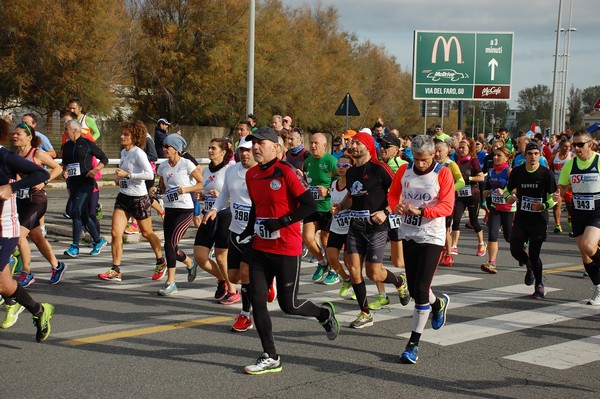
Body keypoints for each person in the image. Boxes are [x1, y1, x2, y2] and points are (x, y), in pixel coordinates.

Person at [239, 126, 339, 374]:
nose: (256, 147)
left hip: (286, 248)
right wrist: (248, 230)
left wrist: (281, 222)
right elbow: (256, 207)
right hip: (261, 247)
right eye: (254, 144)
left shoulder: (286, 173)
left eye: (261, 143)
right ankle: (270, 355)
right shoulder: (251, 175)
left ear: (276, 147)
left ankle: (323, 314)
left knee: (289, 305)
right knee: (257, 299)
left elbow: (309, 206)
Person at [387, 134, 454, 364]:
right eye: (417, 159)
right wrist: (396, 205)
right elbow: (393, 193)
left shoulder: (442, 173)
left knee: (422, 288)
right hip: (409, 233)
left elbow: (447, 206)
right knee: (416, 290)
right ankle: (439, 304)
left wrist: (422, 212)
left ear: (434, 154)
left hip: (432, 235)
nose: (420, 163)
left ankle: (413, 343)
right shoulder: (404, 170)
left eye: (424, 159)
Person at [333, 132, 409, 329]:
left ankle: (399, 281)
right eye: (352, 143)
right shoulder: (350, 172)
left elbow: (398, 193)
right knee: (354, 270)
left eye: (358, 143)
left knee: (374, 273)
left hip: (377, 227)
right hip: (355, 226)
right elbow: (352, 194)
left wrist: (385, 211)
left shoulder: (380, 168)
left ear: (367, 146)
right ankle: (365, 313)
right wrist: (341, 206)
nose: (354, 146)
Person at [0, 118, 53, 341]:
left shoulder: (5, 157)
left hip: (4, 228)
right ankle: (39, 311)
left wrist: (12, 186)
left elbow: (42, 174)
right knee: (4, 284)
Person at [204, 137, 263, 330]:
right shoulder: (231, 170)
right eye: (242, 150)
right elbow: (224, 194)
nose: (245, 154)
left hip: (255, 232)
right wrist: (215, 208)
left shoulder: (262, 172)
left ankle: (245, 315)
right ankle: (264, 282)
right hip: (236, 230)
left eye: (248, 150)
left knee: (245, 273)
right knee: (234, 276)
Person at [97, 121, 165, 282]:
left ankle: (161, 260)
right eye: (123, 133)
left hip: (138, 198)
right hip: (123, 196)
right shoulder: (124, 152)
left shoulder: (138, 153)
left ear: (135, 137)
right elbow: (125, 173)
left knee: (147, 233)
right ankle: (116, 270)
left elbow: (149, 175)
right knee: (115, 233)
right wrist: (119, 179)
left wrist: (128, 175)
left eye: (126, 134)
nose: (122, 136)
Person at [11, 123, 65, 290]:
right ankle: (57, 266)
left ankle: (27, 272)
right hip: (21, 200)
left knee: (20, 237)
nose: (14, 136)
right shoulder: (15, 155)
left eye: (18, 134)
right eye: (14, 133)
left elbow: (57, 167)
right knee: (37, 237)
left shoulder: (38, 154)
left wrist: (45, 181)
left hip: (37, 201)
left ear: (29, 137)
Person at [152, 134, 203, 296]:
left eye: (168, 147)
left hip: (185, 210)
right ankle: (190, 262)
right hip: (170, 208)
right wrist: (156, 190)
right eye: (164, 146)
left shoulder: (187, 164)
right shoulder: (163, 167)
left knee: (169, 246)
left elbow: (203, 183)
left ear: (177, 149)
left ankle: (171, 283)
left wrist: (186, 189)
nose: (164, 149)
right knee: (171, 245)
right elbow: (163, 188)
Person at [507, 142, 558, 299]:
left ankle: (539, 285)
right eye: (530, 153)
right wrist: (507, 197)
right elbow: (506, 189)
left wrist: (543, 205)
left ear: (540, 155)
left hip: (539, 220)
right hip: (522, 218)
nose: (533, 156)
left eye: (536, 153)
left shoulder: (546, 174)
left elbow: (554, 198)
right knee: (515, 249)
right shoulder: (517, 172)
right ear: (525, 155)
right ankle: (529, 266)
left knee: (535, 254)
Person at [191, 138, 236, 302]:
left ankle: (232, 290)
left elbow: (237, 194)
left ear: (223, 152)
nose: (210, 151)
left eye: (213, 148)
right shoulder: (205, 170)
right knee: (200, 256)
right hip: (208, 214)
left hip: (225, 214)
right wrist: (201, 195)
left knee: (220, 256)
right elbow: (205, 188)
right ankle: (222, 279)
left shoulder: (230, 169)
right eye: (209, 148)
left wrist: (222, 197)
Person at [558, 131, 600, 305]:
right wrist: (555, 196)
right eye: (574, 145)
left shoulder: (598, 160)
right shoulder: (570, 164)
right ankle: (598, 287)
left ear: (590, 144)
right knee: (585, 255)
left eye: (580, 145)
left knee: (588, 246)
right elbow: (561, 188)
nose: (576, 148)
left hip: (597, 210)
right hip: (578, 212)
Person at [61, 119, 108, 258]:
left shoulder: (87, 144)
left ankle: (74, 246)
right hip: (73, 183)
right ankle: (98, 241)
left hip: (86, 183)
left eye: (66, 129)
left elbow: (104, 159)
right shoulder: (66, 146)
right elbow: (65, 164)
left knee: (76, 210)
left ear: (75, 130)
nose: (64, 132)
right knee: (83, 214)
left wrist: (96, 170)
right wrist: (64, 171)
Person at [303, 133, 338, 283]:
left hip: (328, 207)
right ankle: (323, 263)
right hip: (312, 206)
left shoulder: (332, 161)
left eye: (316, 143)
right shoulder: (308, 161)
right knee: (307, 238)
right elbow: (305, 181)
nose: (313, 146)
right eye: (311, 143)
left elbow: (343, 183)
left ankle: (334, 270)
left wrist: (328, 191)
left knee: (326, 241)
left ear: (325, 145)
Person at [480, 147, 515, 274]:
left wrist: (505, 191)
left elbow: (516, 189)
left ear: (507, 158)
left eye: (499, 155)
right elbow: (491, 186)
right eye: (494, 155)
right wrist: (488, 192)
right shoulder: (492, 171)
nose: (495, 157)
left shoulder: (509, 171)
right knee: (492, 234)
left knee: (509, 237)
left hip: (508, 208)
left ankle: (522, 247)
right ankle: (492, 262)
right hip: (495, 207)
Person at [450, 139, 486, 256]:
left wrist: (469, 179)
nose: (460, 150)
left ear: (469, 149)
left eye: (463, 148)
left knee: (474, 221)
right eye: (459, 148)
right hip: (460, 195)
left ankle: (481, 244)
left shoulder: (473, 161)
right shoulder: (457, 161)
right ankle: (454, 245)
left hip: (473, 195)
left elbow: (481, 178)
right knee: (456, 220)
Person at [326, 155, 354, 295]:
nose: (341, 168)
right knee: (331, 257)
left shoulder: (353, 185)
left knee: (350, 263)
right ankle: (346, 279)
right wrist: (333, 209)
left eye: (345, 165)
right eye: (339, 165)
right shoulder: (333, 184)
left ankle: (357, 286)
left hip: (350, 229)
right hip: (336, 227)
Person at [435, 140, 465, 267]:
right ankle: (438, 251)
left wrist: (448, 190)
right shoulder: (431, 164)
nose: (436, 154)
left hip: (447, 203)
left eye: (439, 151)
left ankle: (448, 254)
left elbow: (461, 182)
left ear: (446, 152)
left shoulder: (451, 165)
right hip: (433, 202)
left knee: (445, 229)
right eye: (435, 151)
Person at [551, 140, 574, 233]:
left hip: (569, 185)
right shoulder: (554, 157)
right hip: (558, 184)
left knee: (570, 205)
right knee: (557, 204)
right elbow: (550, 170)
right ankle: (558, 224)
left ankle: (570, 217)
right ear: (560, 147)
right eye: (565, 146)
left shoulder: (572, 157)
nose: (567, 148)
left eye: (569, 146)